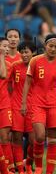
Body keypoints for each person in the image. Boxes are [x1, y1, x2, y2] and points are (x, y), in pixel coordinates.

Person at [21, 34, 56, 174]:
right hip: (37, 104)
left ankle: (48, 171)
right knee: (39, 136)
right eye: (51, 46)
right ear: (45, 46)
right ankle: (37, 166)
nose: (53, 49)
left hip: (55, 104)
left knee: (53, 140)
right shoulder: (35, 61)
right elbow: (27, 82)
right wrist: (24, 102)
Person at [9, 41, 36, 174]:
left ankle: (28, 164)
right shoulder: (15, 66)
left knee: (34, 140)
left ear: (33, 53)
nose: (24, 55)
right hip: (16, 107)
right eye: (22, 52)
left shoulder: (38, 66)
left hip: (33, 107)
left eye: (27, 52)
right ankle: (20, 169)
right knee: (17, 139)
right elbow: (8, 85)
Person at [0, 37, 14, 173]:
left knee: (5, 137)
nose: (6, 49)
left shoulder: (9, 66)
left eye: (7, 47)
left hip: (4, 104)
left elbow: (4, 76)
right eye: (3, 46)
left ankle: (9, 169)